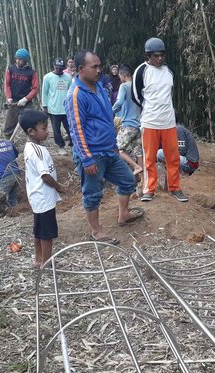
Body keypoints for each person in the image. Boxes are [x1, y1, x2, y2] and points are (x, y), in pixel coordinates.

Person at [65, 49, 144, 244]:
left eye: (99, 66)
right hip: (92, 154)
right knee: (93, 194)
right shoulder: (75, 95)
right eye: (95, 66)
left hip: (109, 150)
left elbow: (107, 118)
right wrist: (86, 158)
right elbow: (76, 130)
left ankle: (123, 214)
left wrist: (114, 145)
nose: (99, 70)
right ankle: (96, 231)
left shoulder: (100, 88)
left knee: (127, 180)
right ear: (81, 69)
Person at [131, 37, 188, 202]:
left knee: (173, 157)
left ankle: (175, 188)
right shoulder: (141, 71)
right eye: (156, 55)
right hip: (150, 122)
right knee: (149, 157)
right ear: (148, 56)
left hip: (169, 122)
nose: (160, 58)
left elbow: (169, 94)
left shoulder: (168, 71)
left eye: (162, 55)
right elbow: (136, 96)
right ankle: (149, 189)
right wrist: (149, 108)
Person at [19, 110, 65, 267]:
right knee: (46, 233)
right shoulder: (38, 151)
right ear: (31, 131)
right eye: (44, 128)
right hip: (44, 197)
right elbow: (45, 176)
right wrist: (59, 187)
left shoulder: (29, 148)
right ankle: (46, 261)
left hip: (37, 197)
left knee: (38, 231)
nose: (47, 132)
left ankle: (38, 259)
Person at [112, 64, 142, 176]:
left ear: (123, 75)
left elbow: (119, 102)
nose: (120, 78)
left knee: (117, 148)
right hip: (139, 124)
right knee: (138, 152)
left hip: (128, 124)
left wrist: (110, 111)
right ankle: (144, 182)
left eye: (120, 76)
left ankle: (136, 166)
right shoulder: (137, 86)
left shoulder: (124, 86)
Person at [3, 48, 39, 139]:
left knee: (31, 123)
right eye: (16, 58)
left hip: (26, 103)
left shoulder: (32, 72)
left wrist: (26, 99)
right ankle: (9, 142)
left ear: (25, 60)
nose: (17, 61)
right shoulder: (10, 69)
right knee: (9, 125)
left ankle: (33, 142)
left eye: (20, 59)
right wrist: (9, 97)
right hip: (13, 102)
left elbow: (35, 88)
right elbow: (7, 84)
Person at [41, 58, 72, 153]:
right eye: (57, 68)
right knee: (56, 129)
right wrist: (45, 106)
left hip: (67, 108)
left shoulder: (68, 77)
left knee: (70, 128)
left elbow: (71, 92)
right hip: (53, 108)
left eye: (61, 68)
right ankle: (61, 147)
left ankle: (73, 146)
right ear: (54, 66)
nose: (59, 70)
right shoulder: (47, 77)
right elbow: (44, 93)